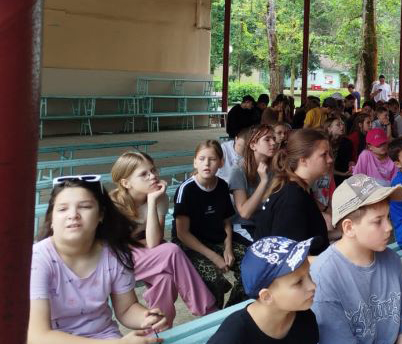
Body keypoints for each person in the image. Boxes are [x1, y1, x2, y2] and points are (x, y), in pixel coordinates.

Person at [28, 177, 169, 343]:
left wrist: (146, 317)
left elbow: (126, 309)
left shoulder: (115, 254)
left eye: (85, 206)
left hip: (105, 337)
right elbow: (38, 335)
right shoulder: (37, 259)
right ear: (51, 218)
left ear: (100, 215)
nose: (73, 215)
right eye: (62, 209)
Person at [110, 153, 216, 328]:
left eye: (153, 170)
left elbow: (153, 241)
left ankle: (159, 329)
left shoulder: (159, 197)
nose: (152, 176)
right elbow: (119, 247)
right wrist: (145, 243)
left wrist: (152, 202)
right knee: (171, 250)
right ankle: (207, 310)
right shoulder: (114, 204)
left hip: (143, 251)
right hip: (118, 259)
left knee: (164, 279)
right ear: (126, 183)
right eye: (143, 174)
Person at [311, 175, 402, 344]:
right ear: (349, 227)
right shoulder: (324, 276)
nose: (389, 227)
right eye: (378, 221)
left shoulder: (391, 259)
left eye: (388, 217)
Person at [174, 140, 247, 310]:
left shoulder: (222, 186)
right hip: (191, 245)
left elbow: (226, 221)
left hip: (217, 239)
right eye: (201, 159)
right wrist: (214, 257)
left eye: (212, 159)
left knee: (252, 265)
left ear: (221, 163)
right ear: (195, 162)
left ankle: (231, 311)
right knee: (214, 280)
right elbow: (182, 234)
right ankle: (214, 315)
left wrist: (228, 248)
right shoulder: (186, 189)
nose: (206, 163)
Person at [207, 236, 318, 344]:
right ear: (267, 296)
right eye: (299, 282)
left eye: (309, 274)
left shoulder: (304, 317)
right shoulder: (232, 337)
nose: (313, 286)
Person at [255, 129, 332, 256]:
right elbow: (289, 258)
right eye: (324, 155)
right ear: (303, 160)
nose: (330, 160)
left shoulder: (299, 189)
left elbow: (310, 237)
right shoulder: (292, 199)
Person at [230, 125, 279, 243]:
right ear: (253, 145)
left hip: (267, 223)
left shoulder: (275, 168)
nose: (273, 143)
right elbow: (244, 213)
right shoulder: (239, 171)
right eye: (267, 139)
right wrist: (263, 182)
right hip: (245, 226)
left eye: (274, 138)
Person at [327, 116, 354, 185]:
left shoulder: (346, 142)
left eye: (342, 124)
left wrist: (351, 163)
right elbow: (327, 168)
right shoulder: (324, 144)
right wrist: (342, 174)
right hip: (326, 177)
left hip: (340, 176)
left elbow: (349, 160)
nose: (342, 126)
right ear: (329, 128)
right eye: (338, 125)